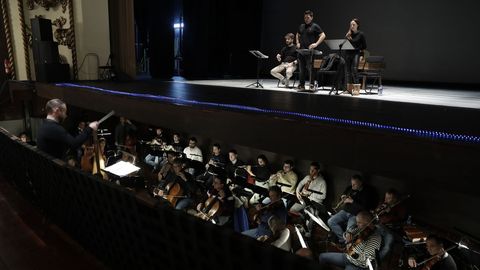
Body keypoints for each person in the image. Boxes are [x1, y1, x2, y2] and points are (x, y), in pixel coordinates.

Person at [328, 175, 376, 244]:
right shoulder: (350, 188)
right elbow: (343, 195)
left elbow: (364, 208)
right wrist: (343, 196)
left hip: (355, 215)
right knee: (330, 221)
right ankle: (342, 240)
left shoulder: (366, 193)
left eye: (354, 184)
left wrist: (352, 201)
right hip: (345, 211)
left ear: (360, 183)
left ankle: (346, 244)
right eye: (352, 183)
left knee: (349, 232)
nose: (352, 186)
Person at [296, 10, 326, 90]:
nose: (306, 19)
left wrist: (316, 44)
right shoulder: (301, 26)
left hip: (310, 52)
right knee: (301, 69)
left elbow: (323, 35)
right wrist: (297, 42)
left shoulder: (315, 26)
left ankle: (312, 84)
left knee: (310, 69)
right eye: (305, 17)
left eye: (308, 17)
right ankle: (301, 85)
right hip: (301, 51)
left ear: (312, 18)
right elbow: (297, 34)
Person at [374, 188, 407, 260]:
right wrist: (379, 210)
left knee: (387, 246)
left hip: (391, 230)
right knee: (372, 240)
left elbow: (401, 219)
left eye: (388, 198)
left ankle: (376, 261)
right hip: (379, 226)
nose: (385, 200)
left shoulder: (400, 207)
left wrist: (390, 212)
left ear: (395, 199)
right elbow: (376, 213)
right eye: (385, 197)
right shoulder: (383, 203)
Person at [345, 18, 367, 91]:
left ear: (357, 25)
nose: (352, 26)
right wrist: (347, 37)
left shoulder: (361, 34)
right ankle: (349, 89)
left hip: (356, 53)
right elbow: (346, 44)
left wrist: (362, 55)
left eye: (353, 24)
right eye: (351, 24)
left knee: (354, 70)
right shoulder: (349, 34)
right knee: (348, 71)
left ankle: (356, 89)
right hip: (348, 53)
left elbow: (364, 46)